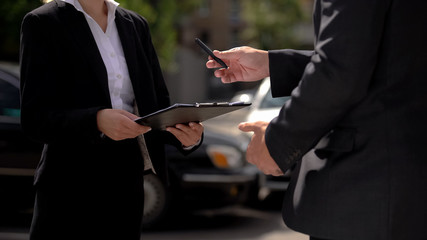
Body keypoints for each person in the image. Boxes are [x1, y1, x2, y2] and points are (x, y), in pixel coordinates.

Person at [206, 0, 427, 240]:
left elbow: (340, 70)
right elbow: (385, 56)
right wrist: (273, 63)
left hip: (368, 194)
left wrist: (277, 143)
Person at [19, 0, 203, 239]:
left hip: (126, 186)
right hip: (68, 188)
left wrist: (187, 137)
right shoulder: (42, 22)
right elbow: (35, 118)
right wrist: (96, 120)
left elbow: (156, 106)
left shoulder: (135, 25)